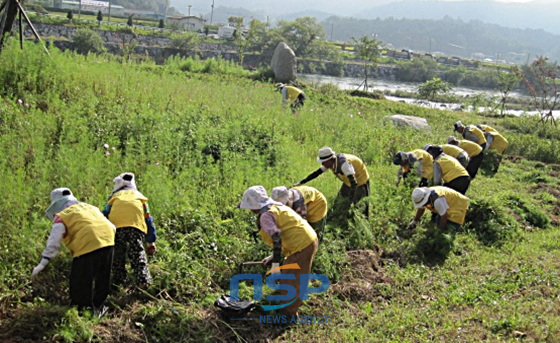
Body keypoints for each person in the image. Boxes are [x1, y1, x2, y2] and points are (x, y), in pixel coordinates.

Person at [238, 186, 318, 317]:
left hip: (302, 245)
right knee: (290, 274)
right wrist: (272, 257)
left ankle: (288, 315)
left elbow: (276, 238)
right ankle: (287, 305)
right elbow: (286, 232)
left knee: (291, 280)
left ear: (254, 205)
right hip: (305, 240)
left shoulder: (265, 216)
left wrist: (275, 265)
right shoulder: (276, 207)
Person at [31, 188, 115, 313]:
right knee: (102, 277)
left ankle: (82, 311)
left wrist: (43, 263)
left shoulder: (62, 216)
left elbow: (54, 241)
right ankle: (99, 307)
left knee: (80, 282)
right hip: (108, 239)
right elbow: (111, 226)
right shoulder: (90, 207)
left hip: (87, 244)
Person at [102, 172, 157, 288]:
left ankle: (119, 283)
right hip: (135, 226)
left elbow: (104, 214)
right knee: (137, 253)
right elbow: (148, 219)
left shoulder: (114, 197)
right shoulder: (140, 197)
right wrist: (151, 241)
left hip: (116, 227)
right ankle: (143, 282)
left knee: (118, 254)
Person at [296, 147, 370, 219]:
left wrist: (350, 199)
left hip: (360, 181)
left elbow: (354, 183)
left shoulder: (344, 165)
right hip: (348, 181)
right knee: (338, 202)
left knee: (358, 205)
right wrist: (301, 182)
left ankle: (353, 222)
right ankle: (336, 217)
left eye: (323, 161)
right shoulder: (330, 163)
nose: (322, 164)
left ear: (330, 160)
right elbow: (317, 173)